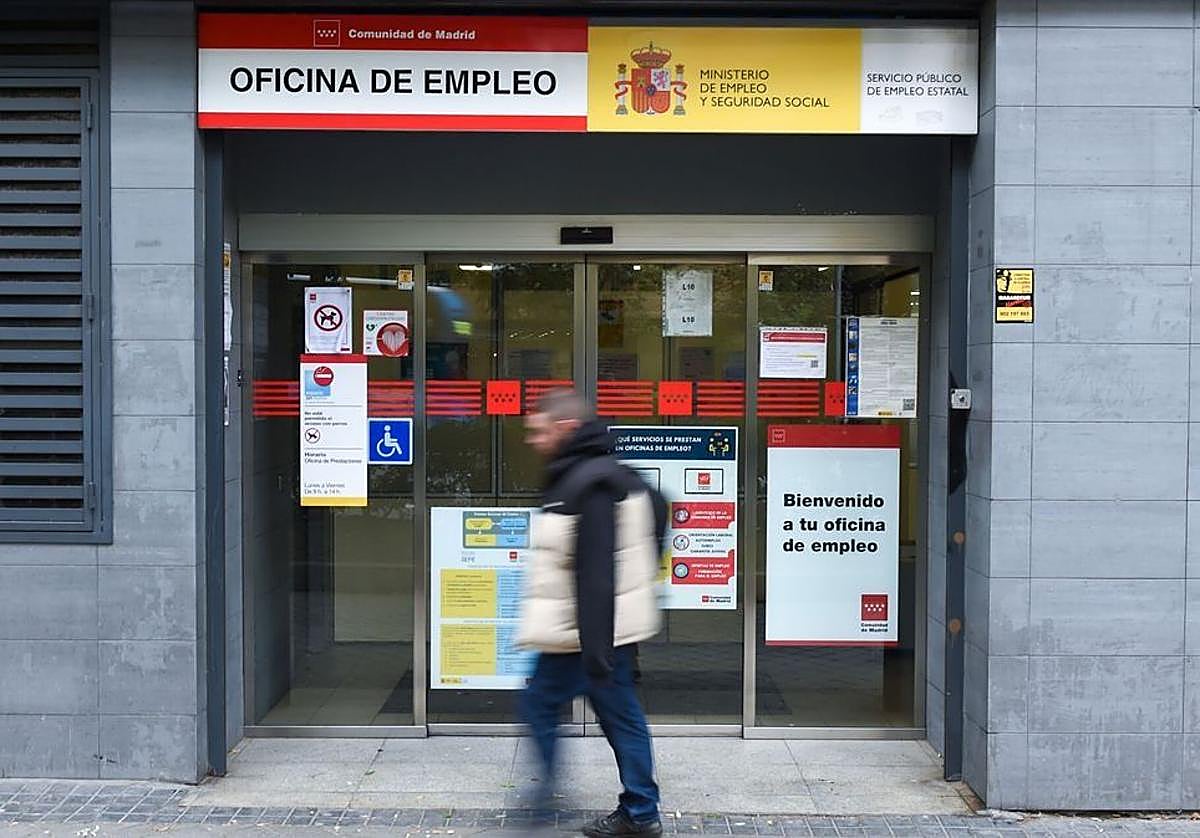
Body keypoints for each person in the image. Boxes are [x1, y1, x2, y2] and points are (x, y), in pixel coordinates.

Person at [517, 388, 665, 837]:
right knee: (609, 713)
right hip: (584, 630)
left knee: (582, 710)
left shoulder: (592, 482)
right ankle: (636, 808)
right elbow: (659, 510)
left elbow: (596, 573)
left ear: (565, 428)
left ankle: (637, 811)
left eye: (539, 432)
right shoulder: (600, 473)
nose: (532, 441)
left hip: (588, 635)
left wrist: (598, 651)